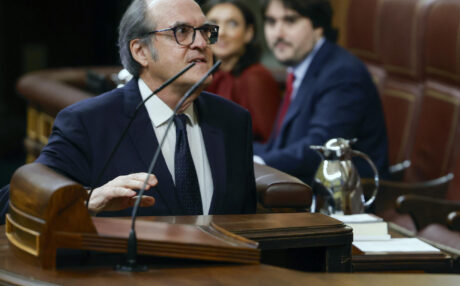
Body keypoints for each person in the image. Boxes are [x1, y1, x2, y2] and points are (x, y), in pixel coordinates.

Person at [0, 0, 256, 221]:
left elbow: (247, 224)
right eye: (182, 31)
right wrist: (88, 199)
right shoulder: (88, 123)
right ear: (140, 51)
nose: (201, 43)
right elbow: (14, 202)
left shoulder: (233, 120)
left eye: (205, 31)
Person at [253, 0, 389, 184]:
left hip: (342, 200)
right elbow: (281, 146)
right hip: (299, 189)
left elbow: (321, 149)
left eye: (290, 20)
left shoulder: (341, 72)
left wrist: (260, 163)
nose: (278, 33)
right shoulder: (300, 68)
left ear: (318, 26)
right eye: (271, 21)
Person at [203, 0, 281, 142]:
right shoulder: (206, 75)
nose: (221, 33)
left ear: (248, 33)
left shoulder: (256, 77)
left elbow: (269, 140)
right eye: (213, 24)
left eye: (232, 24)